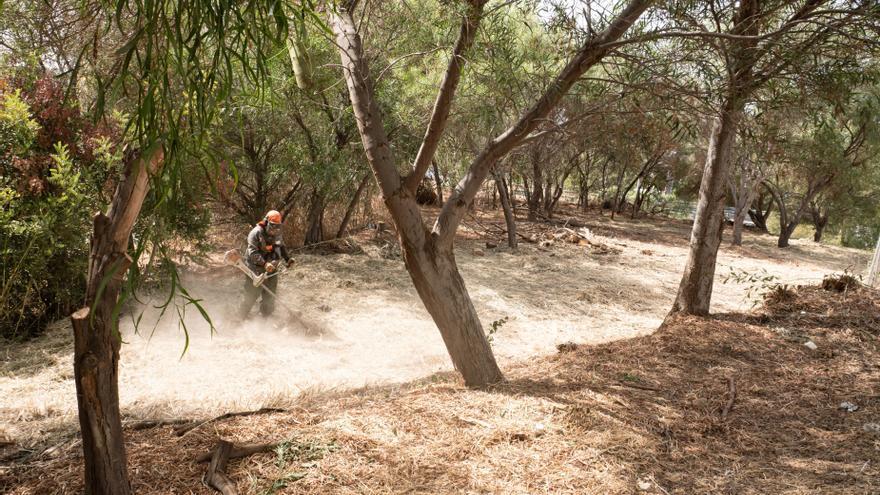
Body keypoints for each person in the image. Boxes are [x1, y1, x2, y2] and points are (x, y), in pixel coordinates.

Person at [238, 210, 294, 319]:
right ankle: (239, 318)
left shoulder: (277, 234)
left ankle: (265, 319)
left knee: (270, 296)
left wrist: (288, 259)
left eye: (278, 226)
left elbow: (281, 247)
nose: (275, 229)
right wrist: (264, 264)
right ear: (266, 222)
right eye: (273, 226)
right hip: (255, 269)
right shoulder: (255, 233)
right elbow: (252, 252)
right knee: (251, 295)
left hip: (271, 268)